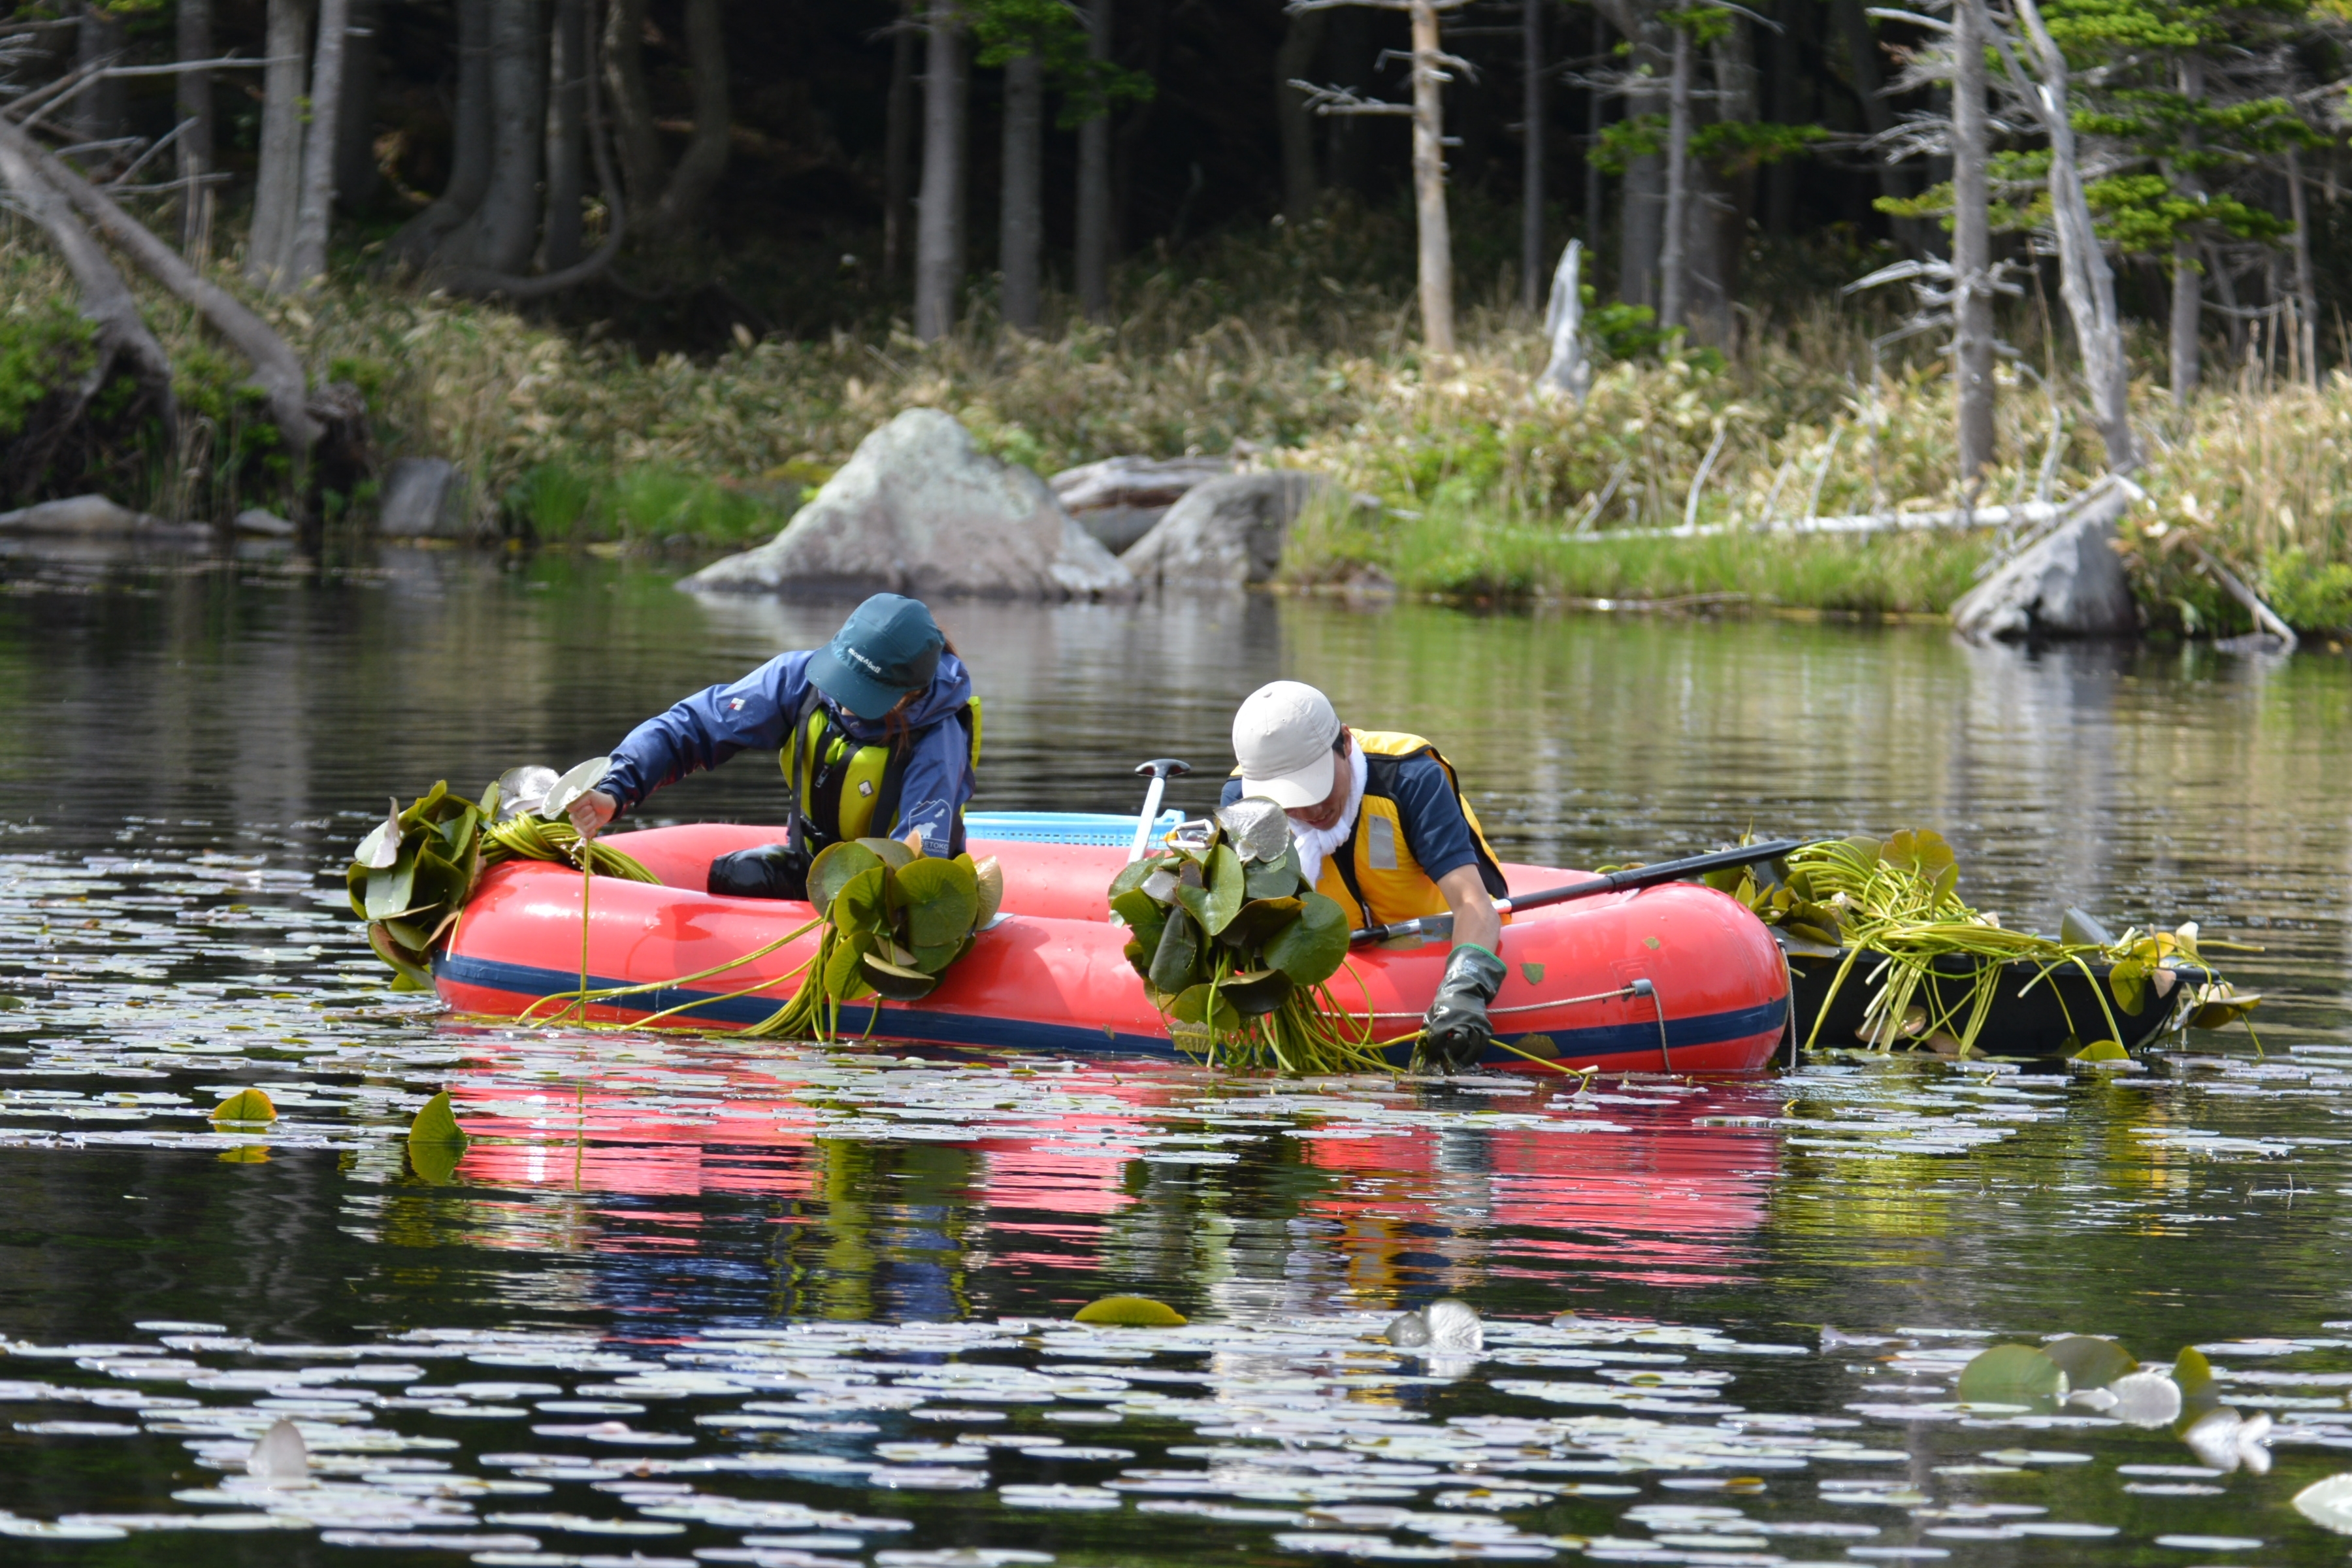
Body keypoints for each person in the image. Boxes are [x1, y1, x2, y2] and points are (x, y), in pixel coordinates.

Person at [567, 593, 979, 900]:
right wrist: (615, 789)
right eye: (847, 682)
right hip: (812, 866)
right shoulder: (799, 680)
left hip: (887, 890)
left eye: (864, 693)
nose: (846, 703)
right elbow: (693, 726)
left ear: (910, 694)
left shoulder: (938, 738)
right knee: (737, 874)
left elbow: (919, 855)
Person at [1222, 680, 1510, 1071]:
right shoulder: (1243, 802)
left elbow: (1471, 902)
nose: (1311, 812)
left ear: (1345, 743)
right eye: (1292, 800)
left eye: (1319, 789)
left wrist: (1465, 991)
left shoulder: (1410, 779)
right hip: (1340, 954)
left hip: (1434, 938)